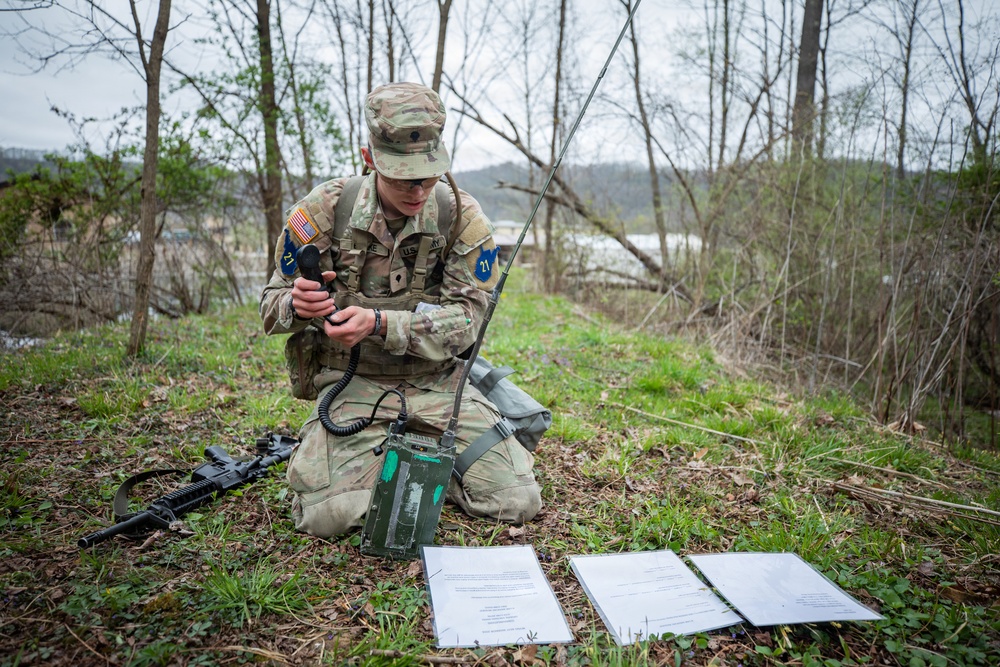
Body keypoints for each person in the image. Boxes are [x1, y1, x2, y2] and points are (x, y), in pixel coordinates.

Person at [259, 82, 542, 538]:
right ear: (369, 159)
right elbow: (270, 304)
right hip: (354, 385)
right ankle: (382, 458)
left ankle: (424, 457)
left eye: (427, 176)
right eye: (401, 177)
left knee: (516, 500)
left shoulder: (462, 219)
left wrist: (379, 322)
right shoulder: (325, 211)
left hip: (438, 384)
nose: (417, 190)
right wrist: (297, 304)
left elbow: (468, 320)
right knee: (331, 516)